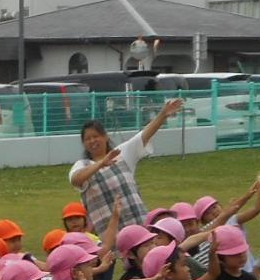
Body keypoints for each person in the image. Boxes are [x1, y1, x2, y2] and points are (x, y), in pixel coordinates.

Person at [66, 98, 184, 238]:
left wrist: (163, 114)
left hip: (138, 224)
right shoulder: (82, 165)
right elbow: (76, 179)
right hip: (110, 234)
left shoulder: (122, 153)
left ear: (105, 137)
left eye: (96, 136)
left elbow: (144, 135)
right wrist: (101, 163)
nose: (92, 141)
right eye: (87, 139)